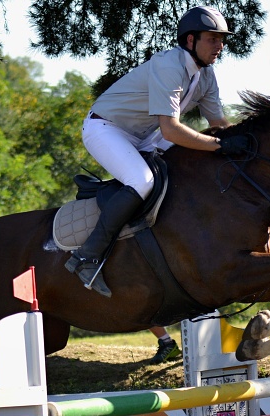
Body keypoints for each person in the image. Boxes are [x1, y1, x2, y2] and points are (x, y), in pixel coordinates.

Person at [65, 6, 251, 297]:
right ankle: (86, 256)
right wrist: (220, 145)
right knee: (142, 181)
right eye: (212, 39)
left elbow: (218, 125)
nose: (220, 46)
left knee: (184, 165)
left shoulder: (206, 76)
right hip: (105, 128)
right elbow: (171, 131)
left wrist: (249, 142)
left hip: (141, 135)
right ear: (190, 40)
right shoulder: (170, 65)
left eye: (221, 39)